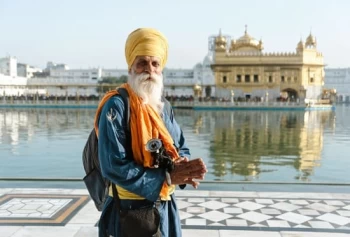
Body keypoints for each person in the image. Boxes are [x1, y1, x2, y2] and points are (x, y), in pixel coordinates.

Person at [95, 28, 208, 237]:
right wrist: (165, 177)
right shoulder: (117, 106)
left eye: (155, 64)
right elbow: (112, 165)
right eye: (142, 63)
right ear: (131, 68)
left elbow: (181, 145)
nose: (149, 70)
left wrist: (183, 166)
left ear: (161, 69)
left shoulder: (163, 106)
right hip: (128, 211)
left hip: (164, 209)